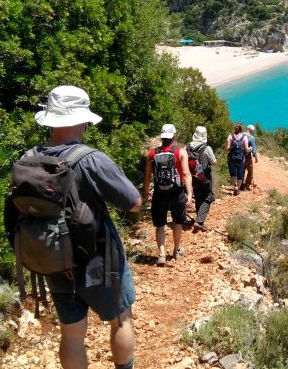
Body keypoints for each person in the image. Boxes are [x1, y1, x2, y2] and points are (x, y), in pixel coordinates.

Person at [32, 85, 141, 369]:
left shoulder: (28, 158)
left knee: (71, 334)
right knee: (120, 319)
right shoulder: (90, 159)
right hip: (99, 262)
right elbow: (133, 202)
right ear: (82, 119)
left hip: (52, 260)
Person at [142, 124, 193, 266]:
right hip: (177, 192)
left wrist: (146, 191)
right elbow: (186, 173)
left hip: (159, 192)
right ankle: (176, 251)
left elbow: (147, 176)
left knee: (160, 225)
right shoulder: (180, 152)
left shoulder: (152, 154)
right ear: (173, 137)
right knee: (177, 222)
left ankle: (162, 254)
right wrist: (189, 193)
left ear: (161, 137)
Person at [187, 126, 217, 231]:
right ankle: (199, 221)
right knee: (208, 197)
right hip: (205, 177)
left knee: (198, 197)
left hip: (193, 176)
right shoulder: (206, 148)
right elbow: (214, 162)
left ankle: (198, 219)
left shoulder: (188, 147)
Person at [225, 122, 250, 196]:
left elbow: (227, 148)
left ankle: (235, 186)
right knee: (240, 174)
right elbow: (246, 149)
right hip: (241, 159)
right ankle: (238, 189)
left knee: (233, 173)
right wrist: (250, 149)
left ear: (235, 129)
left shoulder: (230, 136)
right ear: (241, 130)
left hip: (231, 159)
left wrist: (225, 148)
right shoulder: (244, 137)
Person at [241, 124, 259, 191]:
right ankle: (247, 185)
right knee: (250, 171)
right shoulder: (251, 138)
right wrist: (256, 158)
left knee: (241, 170)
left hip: (240, 156)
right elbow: (254, 150)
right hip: (247, 157)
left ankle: (240, 184)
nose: (253, 132)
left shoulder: (241, 135)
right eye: (253, 131)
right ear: (251, 130)